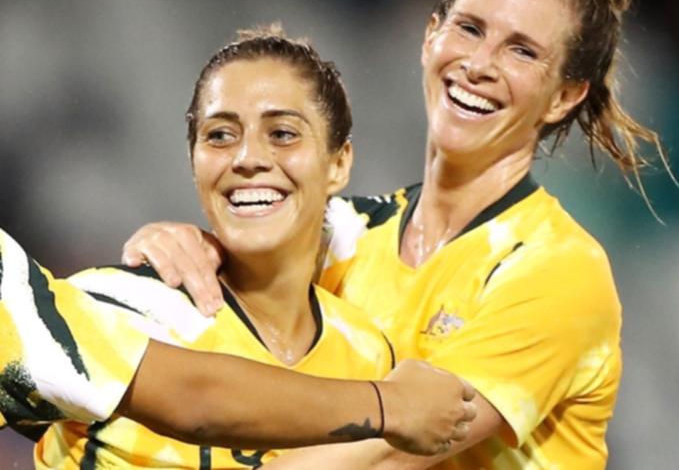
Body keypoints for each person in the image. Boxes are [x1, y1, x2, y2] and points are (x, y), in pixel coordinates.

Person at [123, 0, 671, 469]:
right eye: (469, 29)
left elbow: (390, 452)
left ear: (566, 95)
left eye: (521, 51)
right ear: (430, 35)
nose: (479, 65)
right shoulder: (349, 234)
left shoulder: (557, 270)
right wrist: (182, 248)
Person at [10, 27, 474, 469]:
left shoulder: (367, 352)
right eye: (219, 135)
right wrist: (386, 405)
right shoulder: (122, 305)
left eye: (283, 133)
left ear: (338, 162)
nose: (248, 158)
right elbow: (198, 399)